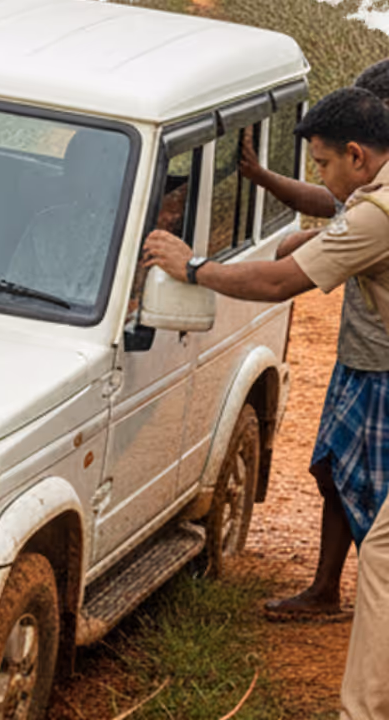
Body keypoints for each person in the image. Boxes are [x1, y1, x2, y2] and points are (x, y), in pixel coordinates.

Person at [143, 86, 389, 720]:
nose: (324, 179)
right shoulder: (371, 200)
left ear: (358, 156)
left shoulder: (379, 212)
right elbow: (330, 229)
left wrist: (193, 267)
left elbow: (281, 282)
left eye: (326, 165)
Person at [236, 60, 389, 618]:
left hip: (380, 363)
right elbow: (329, 202)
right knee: (334, 472)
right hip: (361, 354)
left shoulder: (379, 198)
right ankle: (327, 591)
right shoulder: (369, 182)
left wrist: (199, 269)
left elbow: (283, 278)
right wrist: (263, 177)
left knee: (368, 494)